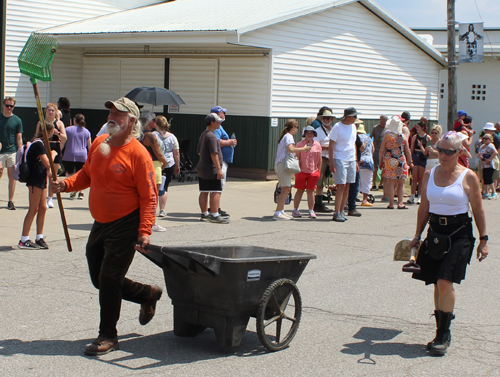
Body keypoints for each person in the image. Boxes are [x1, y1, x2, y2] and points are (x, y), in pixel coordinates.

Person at [50, 97, 162, 356]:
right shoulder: (100, 143)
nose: (112, 115)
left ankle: (108, 335)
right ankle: (147, 294)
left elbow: (149, 197)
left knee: (110, 278)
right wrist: (65, 184)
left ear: (131, 121)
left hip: (126, 222)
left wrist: (145, 231)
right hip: (101, 221)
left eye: (118, 113)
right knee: (99, 279)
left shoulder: (139, 154)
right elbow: (87, 175)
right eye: (111, 111)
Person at [409, 130, 489, 357]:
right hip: (435, 232)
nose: (443, 155)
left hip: (459, 233)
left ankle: (444, 333)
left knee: (445, 281)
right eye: (440, 150)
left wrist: (484, 240)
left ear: (459, 152)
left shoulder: (468, 176)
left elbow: (478, 210)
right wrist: (417, 235)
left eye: (448, 152)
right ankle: (439, 330)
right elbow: (424, 207)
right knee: (436, 282)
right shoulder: (428, 174)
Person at [18, 123, 56, 249]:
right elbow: (46, 162)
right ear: (48, 132)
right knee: (33, 208)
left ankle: (39, 236)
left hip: (41, 178)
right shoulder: (38, 144)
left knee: (43, 207)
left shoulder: (41, 144)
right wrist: (54, 154)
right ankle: (24, 239)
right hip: (35, 178)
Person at [274, 119, 310, 220]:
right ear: (293, 128)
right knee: (285, 189)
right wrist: (304, 149)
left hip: (281, 165)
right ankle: (277, 213)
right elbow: (291, 149)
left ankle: (281, 210)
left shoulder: (286, 136)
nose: (297, 130)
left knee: (286, 189)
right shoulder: (289, 136)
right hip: (283, 165)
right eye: (297, 127)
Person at [197, 113, 229, 224]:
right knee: (216, 190)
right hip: (211, 169)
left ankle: (204, 214)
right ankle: (215, 214)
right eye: (218, 121)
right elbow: (214, 153)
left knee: (204, 191)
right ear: (212, 122)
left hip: (203, 168)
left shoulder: (203, 134)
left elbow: (199, 152)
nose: (220, 123)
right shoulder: (211, 136)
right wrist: (219, 169)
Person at [140, 110, 168, 232]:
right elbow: (158, 153)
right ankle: (152, 222)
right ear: (150, 122)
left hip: (142, 166)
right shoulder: (151, 136)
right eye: (154, 120)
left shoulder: (137, 135)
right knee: (153, 197)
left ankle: (142, 220)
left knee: (143, 195)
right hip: (154, 165)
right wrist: (165, 163)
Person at [36, 103, 67, 209]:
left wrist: (57, 133)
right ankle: (41, 196)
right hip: (44, 146)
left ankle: (50, 198)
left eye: (53, 110)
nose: (51, 112)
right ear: (46, 111)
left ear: (56, 112)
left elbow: (64, 138)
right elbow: (36, 136)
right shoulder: (41, 123)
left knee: (53, 175)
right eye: (49, 110)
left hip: (55, 146)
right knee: (43, 173)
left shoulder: (59, 123)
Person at [329, 107, 358, 222]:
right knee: (341, 185)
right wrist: (332, 162)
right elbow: (331, 145)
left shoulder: (353, 127)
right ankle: (336, 212)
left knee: (348, 185)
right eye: (354, 116)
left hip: (351, 158)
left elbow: (353, 144)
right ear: (349, 117)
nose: (356, 118)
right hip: (340, 158)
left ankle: (342, 210)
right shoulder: (337, 127)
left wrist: (355, 160)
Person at [380, 116, 412, 209]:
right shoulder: (403, 136)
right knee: (401, 183)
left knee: (390, 182)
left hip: (389, 159)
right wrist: (410, 161)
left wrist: (381, 161)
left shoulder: (387, 136)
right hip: (401, 160)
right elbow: (407, 150)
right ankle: (400, 203)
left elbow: (382, 150)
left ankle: (391, 203)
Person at [210, 106, 237, 217]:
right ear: (218, 114)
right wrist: (228, 142)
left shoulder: (219, 127)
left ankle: (215, 208)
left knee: (219, 186)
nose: (224, 115)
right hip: (220, 160)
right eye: (223, 113)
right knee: (218, 186)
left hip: (223, 160)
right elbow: (215, 142)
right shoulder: (216, 128)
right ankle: (215, 209)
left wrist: (230, 142)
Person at [292, 126, 322, 218]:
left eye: (311, 133)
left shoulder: (317, 144)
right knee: (300, 190)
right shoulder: (300, 144)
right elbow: (296, 157)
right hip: (302, 171)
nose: (309, 135)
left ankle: (311, 210)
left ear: (314, 134)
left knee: (311, 191)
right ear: (304, 134)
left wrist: (318, 172)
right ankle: (295, 209)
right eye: (307, 133)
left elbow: (320, 159)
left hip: (313, 171)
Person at [0, 96, 23, 210]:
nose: (9, 108)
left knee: (12, 176)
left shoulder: (17, 120)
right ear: (3, 105)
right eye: (7, 105)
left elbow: (19, 138)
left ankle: (10, 201)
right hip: (0, 151)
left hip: (12, 151)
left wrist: (21, 153)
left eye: (11, 106)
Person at [62, 114, 92, 200]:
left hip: (70, 154)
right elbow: (90, 145)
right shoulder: (87, 132)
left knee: (70, 173)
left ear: (74, 120)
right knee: (81, 174)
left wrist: (60, 150)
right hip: (82, 155)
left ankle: (73, 188)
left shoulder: (68, 129)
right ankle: (81, 193)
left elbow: (63, 141)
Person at [155, 116, 180, 217]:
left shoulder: (153, 135)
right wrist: (177, 165)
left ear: (156, 124)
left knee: (154, 188)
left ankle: (152, 209)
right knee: (164, 187)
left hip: (156, 163)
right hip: (169, 164)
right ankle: (162, 210)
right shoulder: (172, 137)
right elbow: (176, 152)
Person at [313, 109, 335, 213]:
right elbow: (315, 146)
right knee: (320, 182)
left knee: (329, 182)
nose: (326, 120)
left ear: (331, 119)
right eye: (324, 118)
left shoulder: (334, 130)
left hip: (332, 158)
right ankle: (318, 204)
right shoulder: (318, 131)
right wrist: (326, 147)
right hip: (321, 158)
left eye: (328, 118)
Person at [408, 122, 431, 204]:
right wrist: (410, 159)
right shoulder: (415, 137)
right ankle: (412, 196)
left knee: (421, 179)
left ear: (423, 128)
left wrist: (421, 146)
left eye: (418, 127)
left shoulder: (427, 137)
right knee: (414, 178)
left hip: (422, 157)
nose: (417, 129)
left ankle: (420, 197)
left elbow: (427, 150)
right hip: (415, 156)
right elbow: (411, 149)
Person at [357, 124, 374, 207]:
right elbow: (373, 149)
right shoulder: (369, 138)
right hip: (368, 161)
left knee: (355, 180)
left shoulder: (355, 137)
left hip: (358, 160)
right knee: (367, 181)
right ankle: (365, 199)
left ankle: (352, 198)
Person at [477, 134, 498, 199]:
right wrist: (480, 157)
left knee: (489, 178)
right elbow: (478, 154)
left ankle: (494, 192)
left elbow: (495, 152)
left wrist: (489, 159)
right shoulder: (482, 146)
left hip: (490, 165)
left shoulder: (491, 145)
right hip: (483, 165)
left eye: (487, 138)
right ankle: (486, 193)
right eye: (484, 138)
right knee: (485, 178)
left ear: (490, 139)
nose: (485, 140)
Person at [370, 115, 388, 191]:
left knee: (384, 167)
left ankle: (381, 183)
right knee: (375, 167)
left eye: (385, 121)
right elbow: (370, 137)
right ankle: (374, 183)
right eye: (382, 121)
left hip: (385, 151)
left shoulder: (387, 129)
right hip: (376, 150)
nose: (383, 123)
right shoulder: (375, 128)